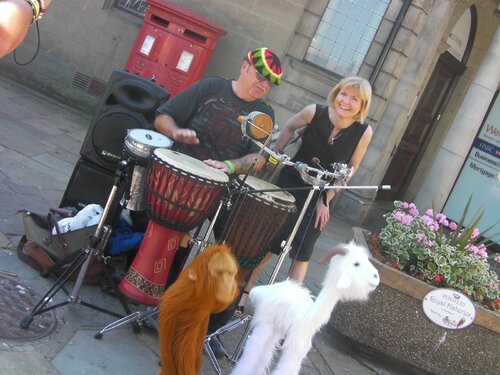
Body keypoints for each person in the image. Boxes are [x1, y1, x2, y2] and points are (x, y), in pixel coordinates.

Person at [153, 47, 283, 357]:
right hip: (187, 177)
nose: (264, 84)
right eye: (260, 75)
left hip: (227, 187)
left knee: (238, 255)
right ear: (243, 67)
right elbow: (162, 117)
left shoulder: (265, 114)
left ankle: (212, 329)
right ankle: (165, 306)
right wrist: (177, 132)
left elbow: (260, 158)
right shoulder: (211, 88)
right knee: (180, 239)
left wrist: (230, 166)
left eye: (270, 82)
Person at [234, 76, 373, 316]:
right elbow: (288, 127)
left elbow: (351, 168)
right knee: (270, 242)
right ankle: (244, 292)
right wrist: (276, 154)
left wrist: (326, 200)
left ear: (362, 105)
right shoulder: (314, 112)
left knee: (303, 251)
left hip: (321, 194)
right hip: (291, 184)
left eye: (355, 99)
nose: (346, 101)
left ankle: (289, 310)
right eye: (344, 94)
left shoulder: (363, 132)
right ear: (336, 93)